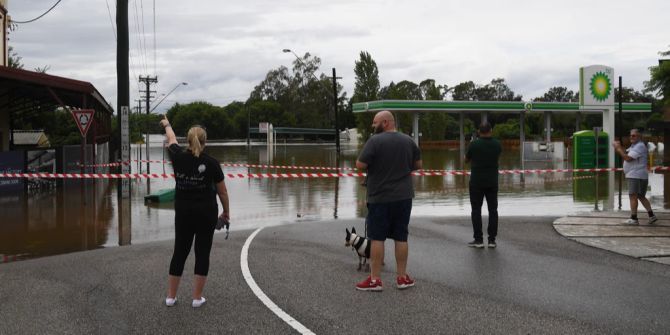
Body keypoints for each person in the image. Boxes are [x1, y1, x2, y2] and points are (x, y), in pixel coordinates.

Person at [160, 116, 230, 308]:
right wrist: (226, 213)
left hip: (183, 213)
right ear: (205, 141)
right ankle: (197, 298)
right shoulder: (212, 163)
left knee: (180, 252)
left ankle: (171, 297)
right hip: (206, 213)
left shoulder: (177, 157)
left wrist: (166, 124)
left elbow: (171, 139)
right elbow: (222, 192)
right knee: (202, 252)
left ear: (188, 141)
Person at [355, 110, 422, 291]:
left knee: (377, 238)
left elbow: (360, 164)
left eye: (375, 123)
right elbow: (418, 165)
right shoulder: (408, 141)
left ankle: (375, 280)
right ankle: (402, 278)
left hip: (380, 197)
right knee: (401, 236)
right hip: (404, 196)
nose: (372, 126)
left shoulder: (374, 141)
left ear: (385, 122)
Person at [465, 122, 502, 248]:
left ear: (479, 132)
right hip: (492, 182)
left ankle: (478, 240)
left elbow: (466, 160)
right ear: (491, 130)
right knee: (493, 210)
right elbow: (497, 158)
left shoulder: (474, 144)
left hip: (476, 183)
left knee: (476, 210)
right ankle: (492, 240)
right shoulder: (497, 144)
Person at [613, 129, 657, 225]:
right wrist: (619, 147)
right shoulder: (635, 146)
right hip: (639, 175)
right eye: (631, 135)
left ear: (639, 137)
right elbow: (627, 152)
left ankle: (634, 218)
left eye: (634, 135)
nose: (631, 137)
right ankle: (651, 215)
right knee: (641, 196)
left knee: (632, 196)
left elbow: (628, 158)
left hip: (635, 175)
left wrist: (618, 148)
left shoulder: (640, 146)